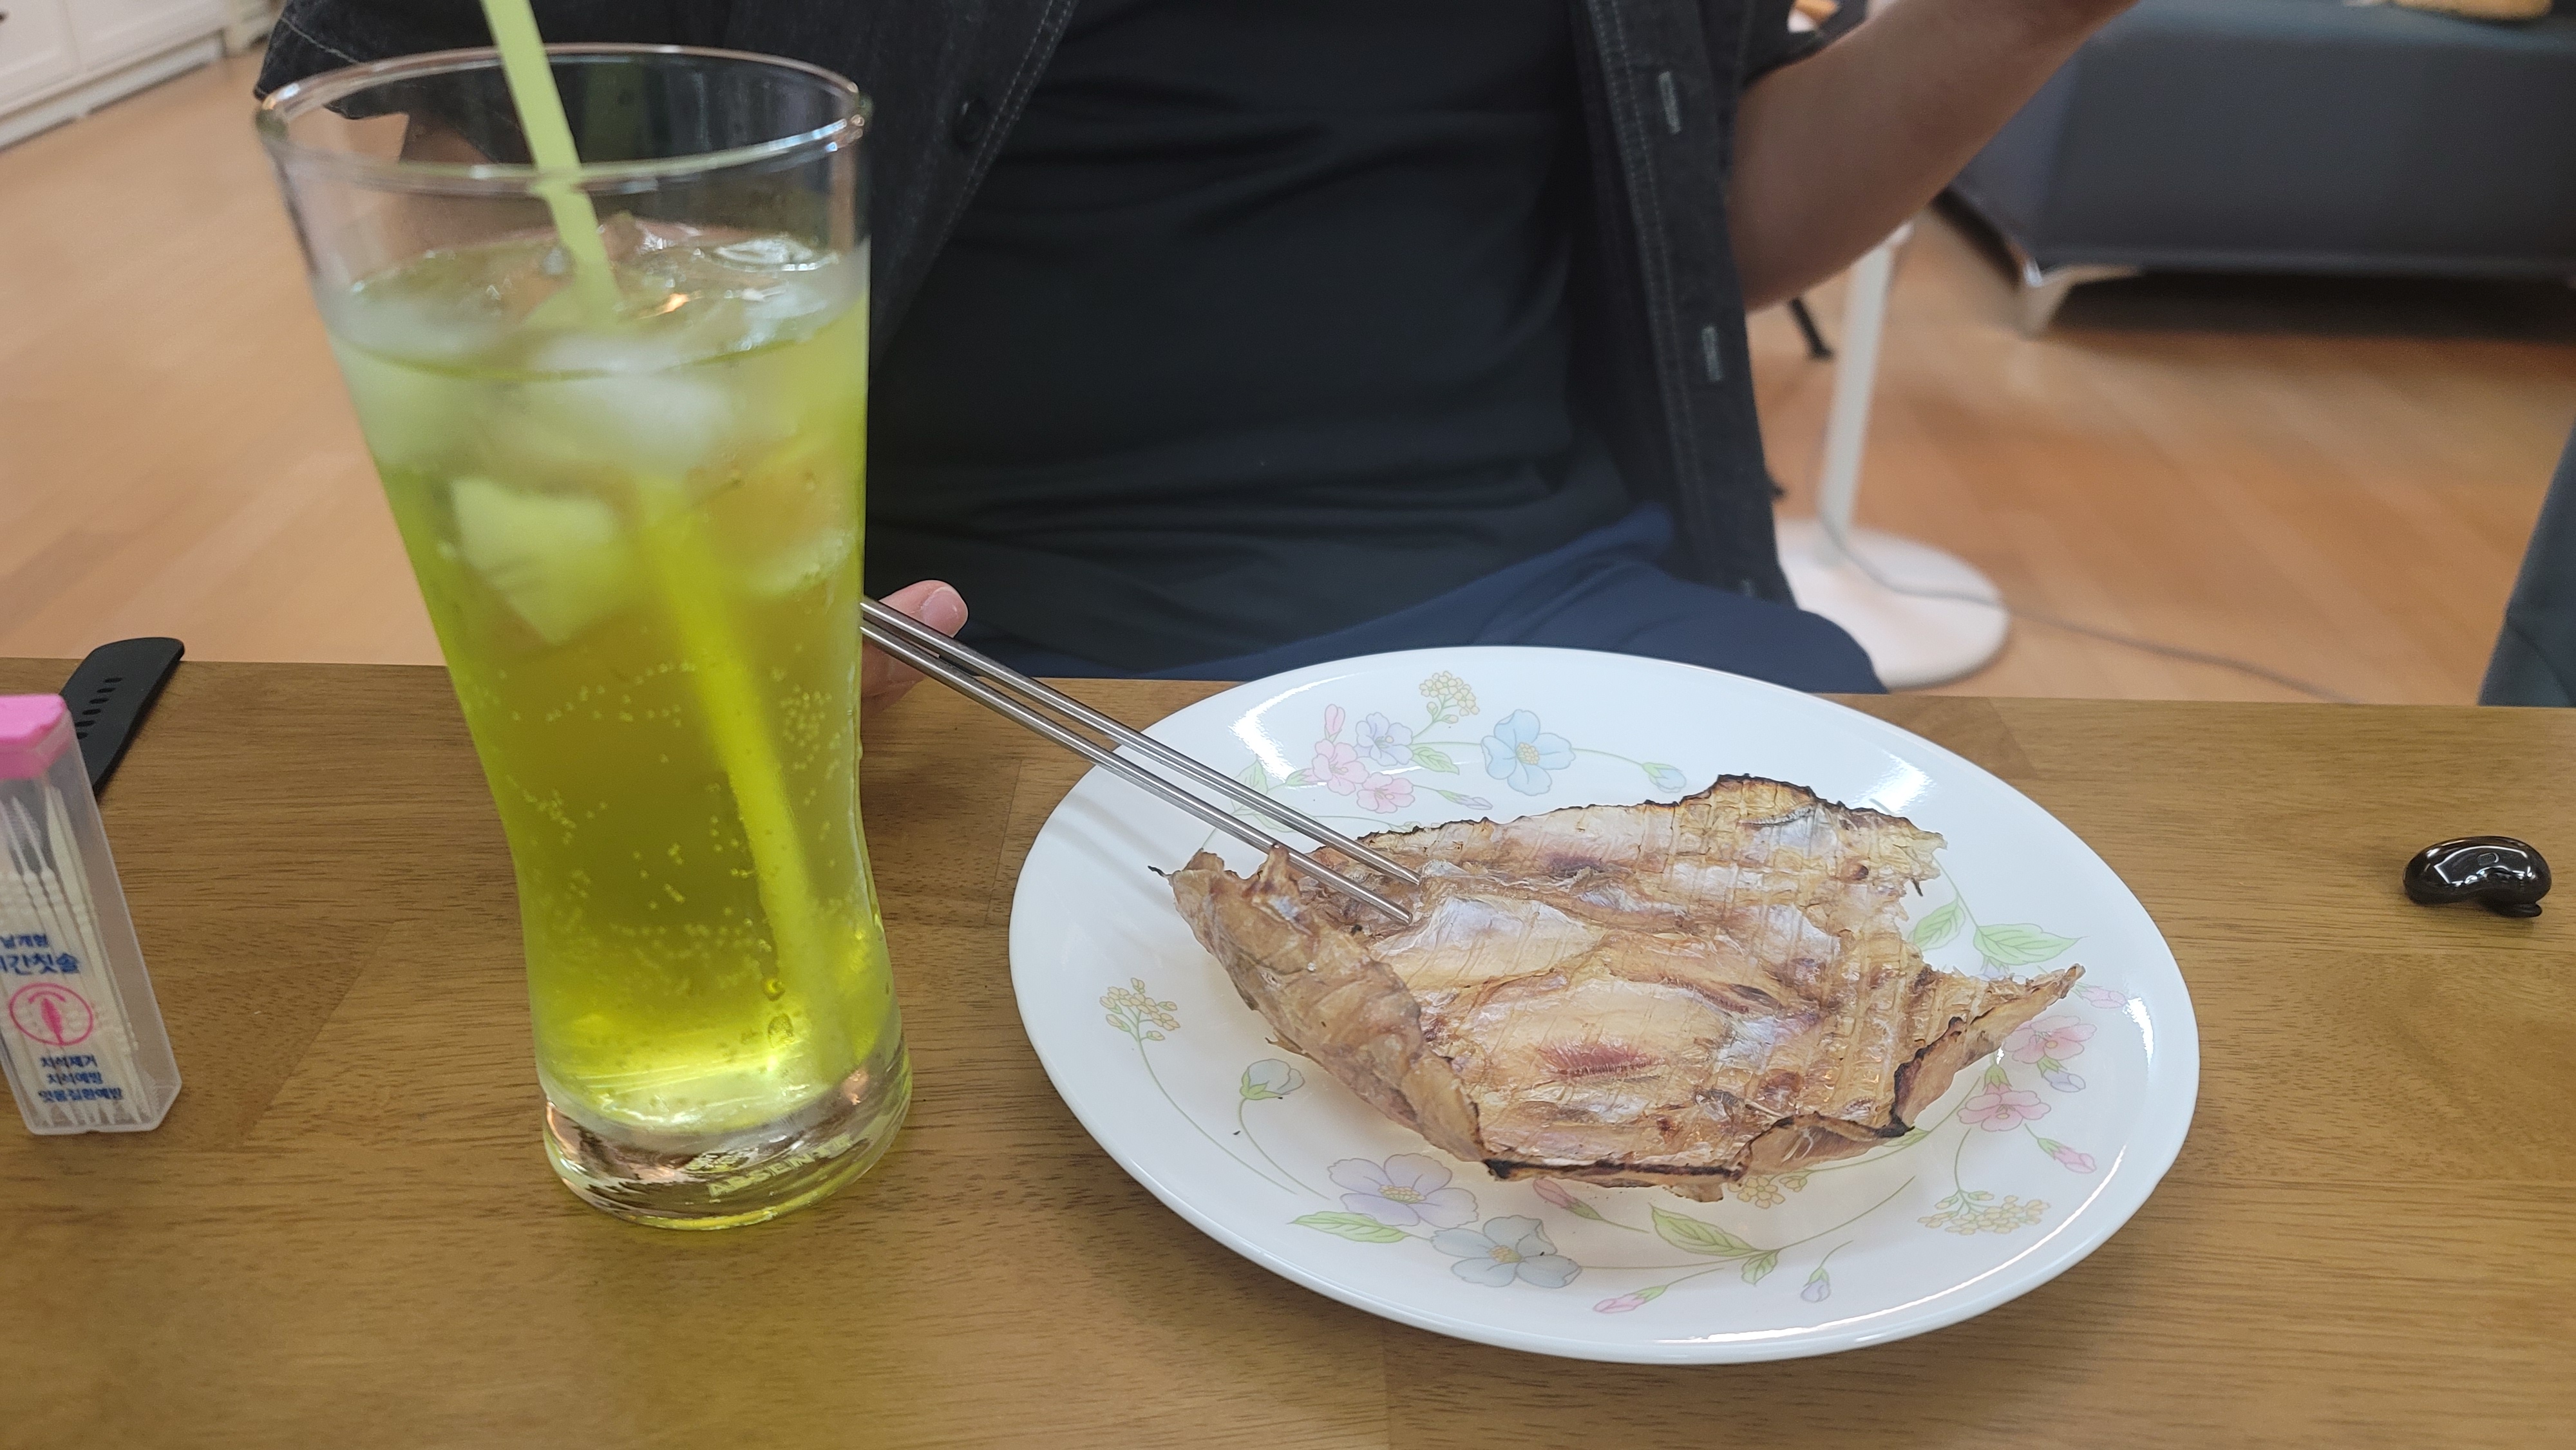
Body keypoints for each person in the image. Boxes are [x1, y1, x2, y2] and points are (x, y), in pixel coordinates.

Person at [259, 0, 2137, 710]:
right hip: (944, 653)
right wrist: (680, 603)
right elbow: (467, 164)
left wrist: (2020, 18)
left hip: (1565, 610)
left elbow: (1699, 217)